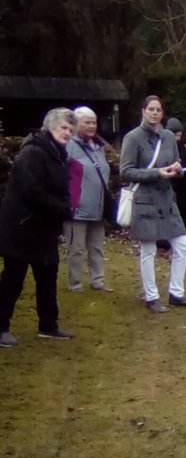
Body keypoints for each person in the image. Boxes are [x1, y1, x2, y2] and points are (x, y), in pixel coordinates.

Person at [0, 108, 76, 345]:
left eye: (71, 130)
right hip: (22, 228)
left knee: (48, 276)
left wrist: (65, 204)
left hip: (45, 229)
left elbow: (60, 186)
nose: (67, 133)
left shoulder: (58, 153)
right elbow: (32, 190)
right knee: (13, 279)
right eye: (64, 127)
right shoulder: (33, 152)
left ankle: (49, 324)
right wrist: (61, 208)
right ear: (50, 127)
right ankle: (1, 327)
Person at [119, 96, 186, 312]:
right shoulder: (132, 138)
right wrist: (156, 172)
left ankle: (176, 293)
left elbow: (175, 164)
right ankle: (151, 296)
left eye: (158, 109)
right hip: (145, 199)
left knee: (182, 245)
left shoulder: (169, 137)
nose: (154, 113)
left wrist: (177, 170)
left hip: (166, 198)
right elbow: (126, 171)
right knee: (149, 249)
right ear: (143, 111)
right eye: (151, 109)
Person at [64, 106, 113, 293]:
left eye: (94, 122)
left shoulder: (99, 147)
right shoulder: (69, 146)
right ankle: (75, 283)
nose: (92, 126)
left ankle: (98, 281)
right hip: (77, 208)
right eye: (87, 122)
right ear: (76, 124)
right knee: (76, 249)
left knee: (97, 247)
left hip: (98, 208)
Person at [165, 117, 186, 245]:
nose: (179, 136)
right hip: (174, 187)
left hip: (185, 187)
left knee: (184, 215)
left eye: (179, 133)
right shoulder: (167, 147)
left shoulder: (184, 146)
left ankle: (184, 239)